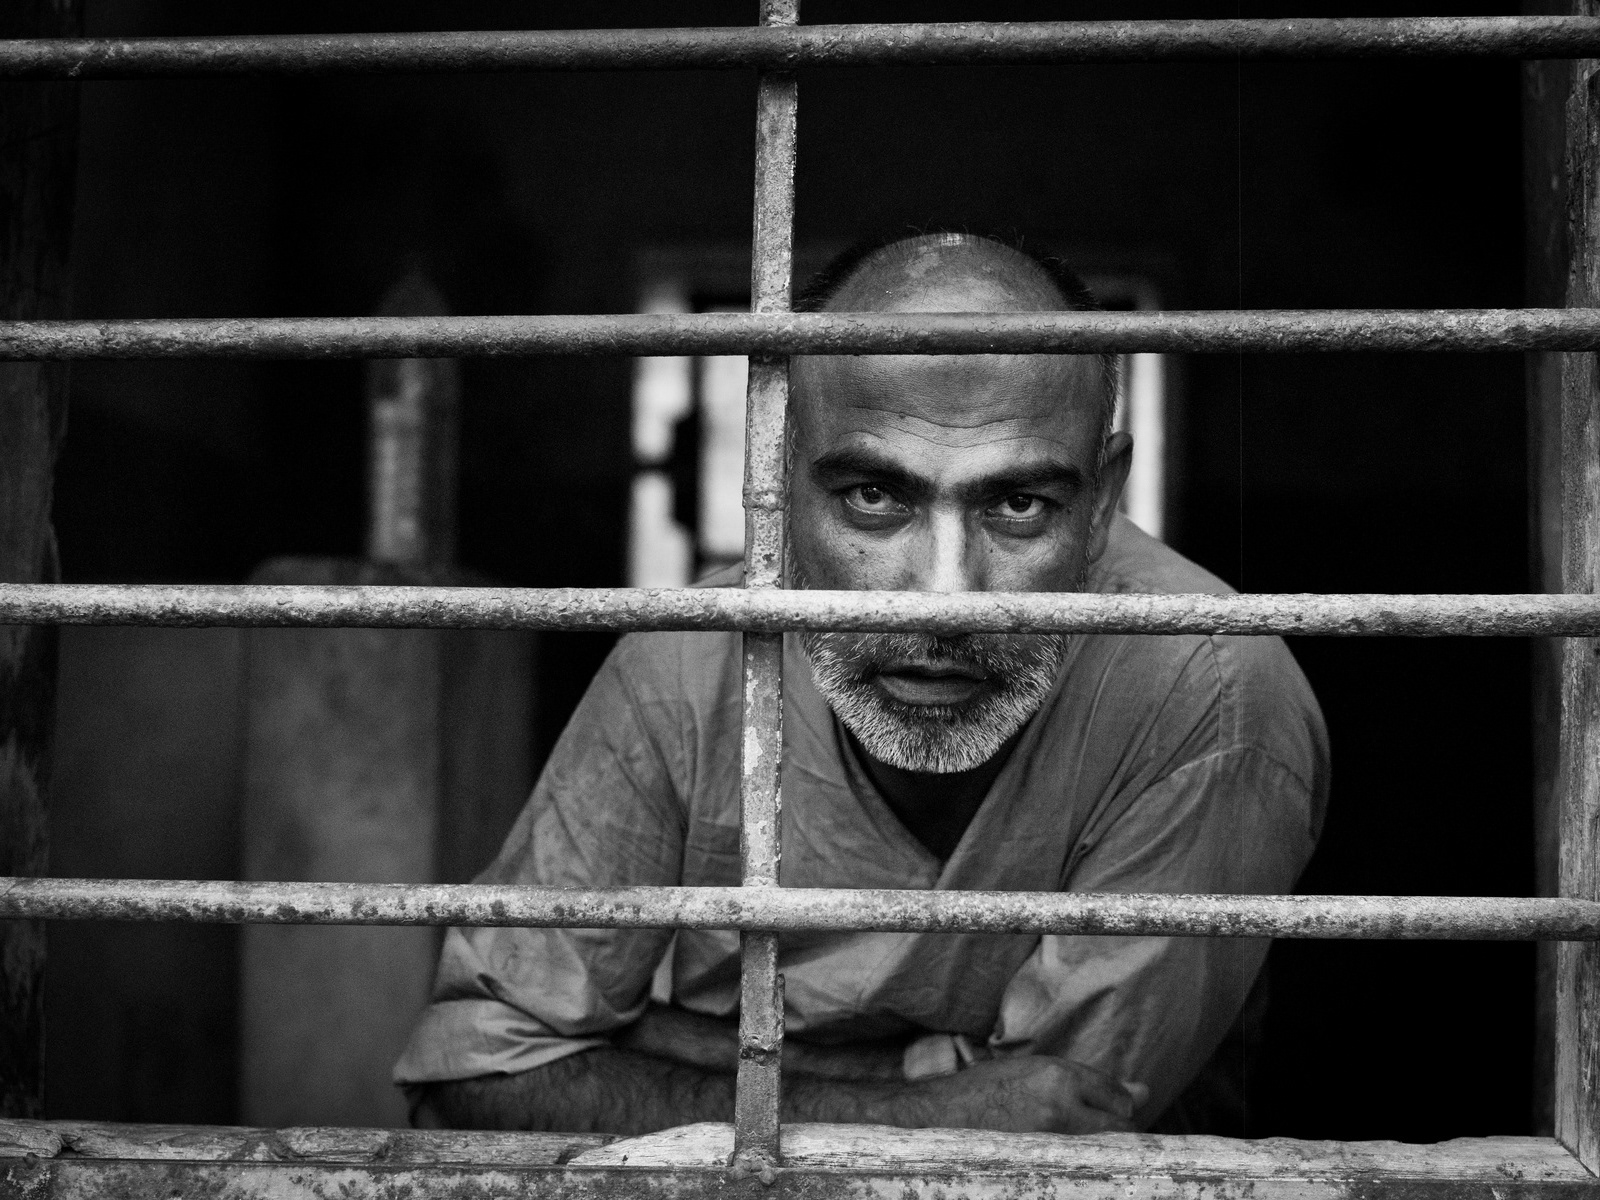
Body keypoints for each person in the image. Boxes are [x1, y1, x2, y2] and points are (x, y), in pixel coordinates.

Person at [394, 231, 1329, 1136]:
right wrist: (933, 1101)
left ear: (1101, 503)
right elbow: (471, 1075)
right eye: (874, 497)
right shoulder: (690, 660)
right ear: (775, 481)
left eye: (1019, 503)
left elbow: (1065, 1127)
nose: (945, 601)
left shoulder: (1212, 688)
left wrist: (654, 1042)